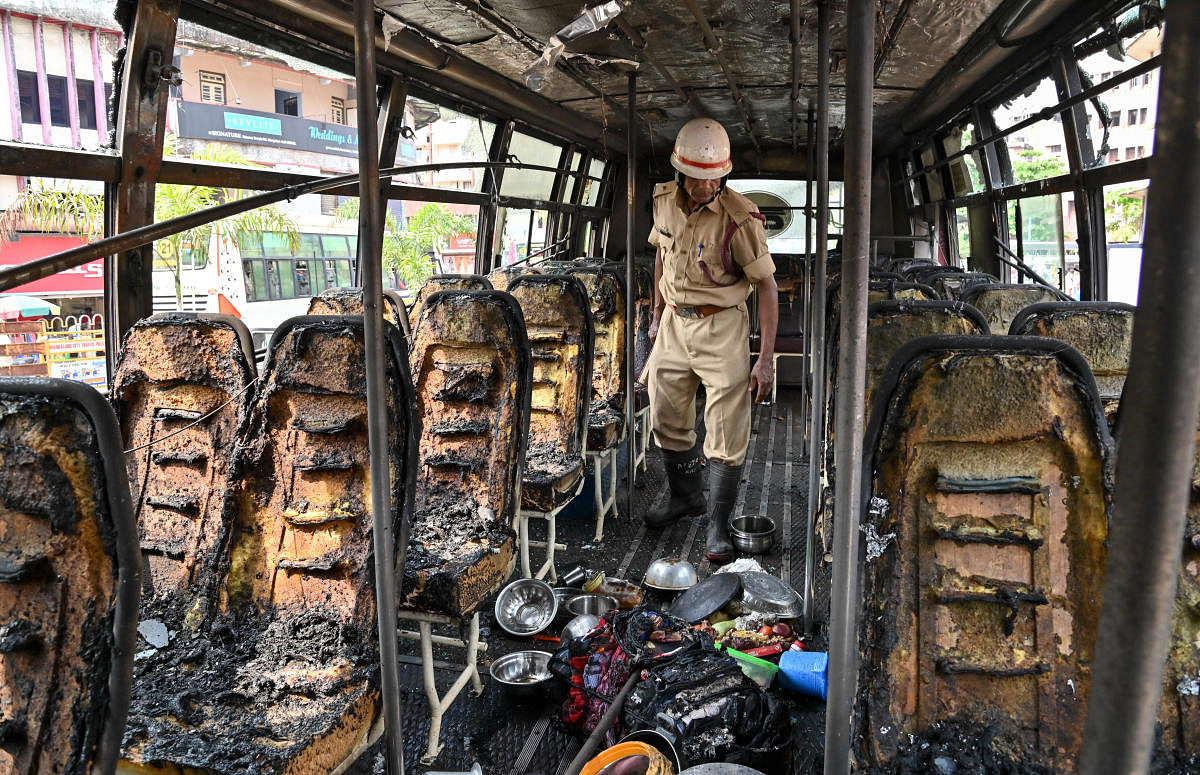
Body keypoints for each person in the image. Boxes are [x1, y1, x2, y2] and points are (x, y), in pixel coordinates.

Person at [643, 117, 779, 562]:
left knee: (725, 425)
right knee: (664, 408)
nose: (703, 187)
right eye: (696, 179)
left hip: (721, 325)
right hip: (673, 324)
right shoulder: (663, 200)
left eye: (712, 179)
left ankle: (718, 526)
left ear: (724, 175)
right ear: (681, 173)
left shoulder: (740, 219)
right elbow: (662, 255)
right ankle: (685, 497)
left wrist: (765, 359)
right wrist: (657, 311)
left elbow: (767, 287)